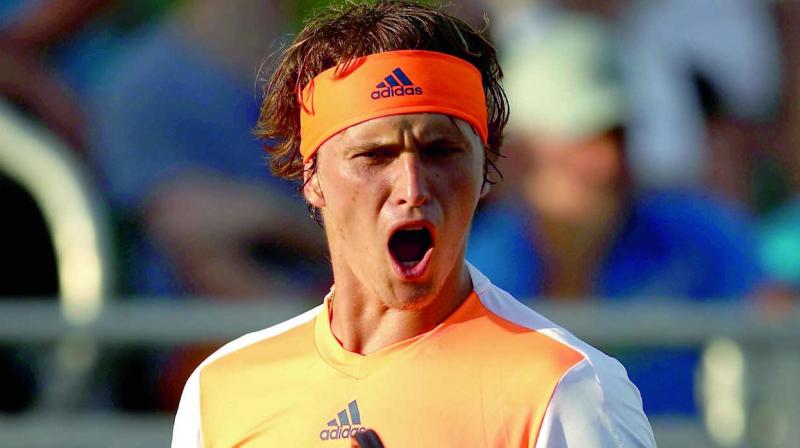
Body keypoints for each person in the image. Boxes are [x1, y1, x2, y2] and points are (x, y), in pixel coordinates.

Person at [172, 1, 655, 446]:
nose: (412, 186)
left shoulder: (566, 387)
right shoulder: (221, 391)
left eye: (441, 151)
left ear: (486, 170)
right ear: (312, 179)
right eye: (374, 155)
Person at [468, 12, 764, 415]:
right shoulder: (476, 264)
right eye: (582, 137)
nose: (609, 161)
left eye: (617, 135)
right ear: (521, 150)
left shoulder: (703, 235)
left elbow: (771, 315)